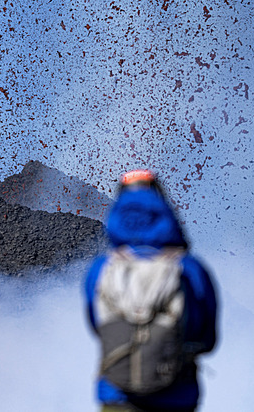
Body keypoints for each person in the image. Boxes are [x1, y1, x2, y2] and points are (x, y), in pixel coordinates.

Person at [84, 169, 217, 412]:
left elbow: (97, 325)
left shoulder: (102, 268)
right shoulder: (189, 268)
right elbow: (207, 338)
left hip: (117, 395)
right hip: (177, 396)